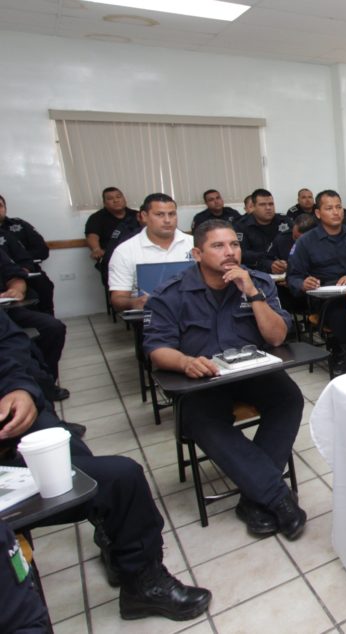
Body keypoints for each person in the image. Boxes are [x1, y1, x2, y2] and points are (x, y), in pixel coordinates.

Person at [0, 310, 211, 622]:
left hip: (11, 418)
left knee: (109, 476)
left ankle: (137, 572)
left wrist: (19, 387)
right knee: (110, 479)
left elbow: (11, 342)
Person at [144, 219, 307, 539]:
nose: (230, 252)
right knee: (201, 420)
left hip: (251, 371)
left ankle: (254, 499)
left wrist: (252, 293)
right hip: (203, 378)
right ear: (197, 254)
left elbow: (276, 338)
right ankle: (276, 497)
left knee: (289, 399)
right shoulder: (171, 293)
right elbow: (156, 350)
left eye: (234, 244)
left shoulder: (258, 282)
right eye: (218, 246)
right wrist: (185, 362)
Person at [288, 190, 346, 372]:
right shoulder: (306, 242)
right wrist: (303, 283)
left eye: (339, 207)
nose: (336, 212)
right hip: (327, 299)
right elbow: (292, 276)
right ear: (318, 213)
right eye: (329, 208)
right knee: (340, 310)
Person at [107, 193, 192, 312]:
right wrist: (135, 302)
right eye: (159, 214)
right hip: (150, 318)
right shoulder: (125, 251)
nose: (167, 220)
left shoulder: (195, 243)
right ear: (144, 216)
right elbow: (117, 299)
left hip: (194, 313)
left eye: (172, 214)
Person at [1, 250, 66, 398]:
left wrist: (16, 290)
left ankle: (48, 382)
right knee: (18, 343)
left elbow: (15, 276)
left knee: (53, 327)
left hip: (7, 310)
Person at [0, 195, 55, 315]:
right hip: (4, 275)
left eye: (0, 206)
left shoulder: (19, 225)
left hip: (28, 271)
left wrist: (22, 264)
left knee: (43, 285)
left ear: (5, 208)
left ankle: (47, 317)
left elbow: (42, 250)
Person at [84, 187, 138, 283]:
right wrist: (96, 249)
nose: (116, 200)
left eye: (118, 197)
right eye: (110, 198)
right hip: (112, 260)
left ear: (124, 199)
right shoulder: (96, 217)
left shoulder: (137, 215)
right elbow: (92, 235)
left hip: (137, 258)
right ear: (104, 203)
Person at [234, 188, 292, 274]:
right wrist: (268, 262)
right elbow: (242, 254)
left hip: (286, 269)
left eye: (271, 204)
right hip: (256, 272)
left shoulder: (285, 221)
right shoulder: (241, 226)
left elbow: (297, 245)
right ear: (253, 207)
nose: (268, 208)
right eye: (262, 204)